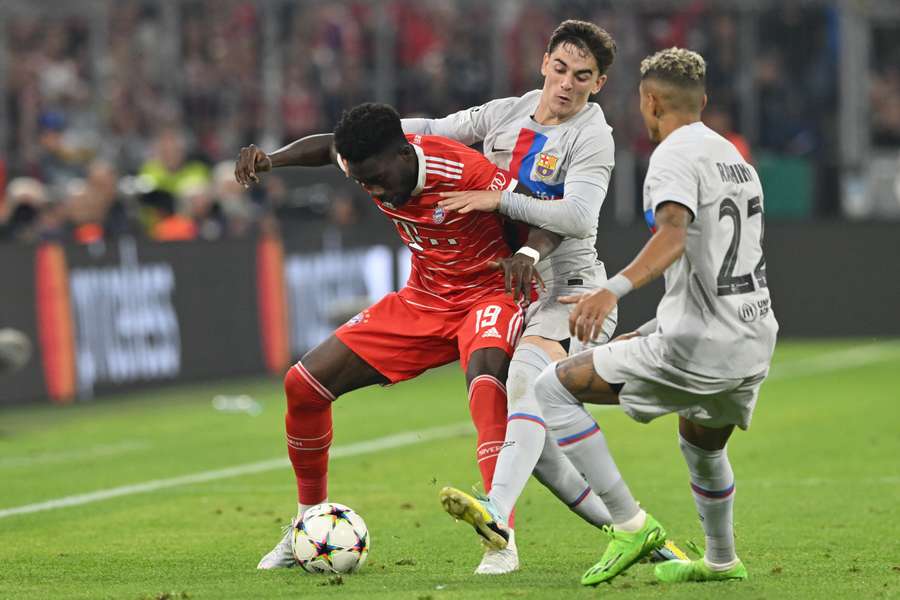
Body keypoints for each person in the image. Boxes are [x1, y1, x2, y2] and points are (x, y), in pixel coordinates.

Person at [403, 20, 683, 573]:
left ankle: (497, 516)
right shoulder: (508, 111)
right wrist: (366, 137)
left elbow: (578, 216)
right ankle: (636, 531)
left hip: (572, 294)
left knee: (526, 381)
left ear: (598, 83)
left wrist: (496, 200)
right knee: (536, 444)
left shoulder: (592, 134)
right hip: (511, 294)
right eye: (560, 70)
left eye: (582, 77)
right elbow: (434, 127)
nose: (567, 85)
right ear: (543, 64)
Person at [234, 103, 562, 570]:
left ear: (404, 153)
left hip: (489, 294)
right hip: (423, 300)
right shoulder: (362, 159)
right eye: (360, 180)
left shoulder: (464, 169)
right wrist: (272, 158)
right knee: (302, 385)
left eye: (375, 178)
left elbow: (546, 216)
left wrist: (526, 250)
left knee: (487, 385)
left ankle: (500, 536)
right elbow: (327, 147)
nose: (370, 189)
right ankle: (308, 523)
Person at [529, 47, 778, 586]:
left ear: (649, 100)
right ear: (702, 101)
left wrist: (610, 291)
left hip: (700, 345)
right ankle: (720, 560)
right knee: (700, 442)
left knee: (551, 389)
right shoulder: (736, 158)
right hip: (752, 336)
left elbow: (673, 233)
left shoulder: (670, 156)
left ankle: (628, 524)